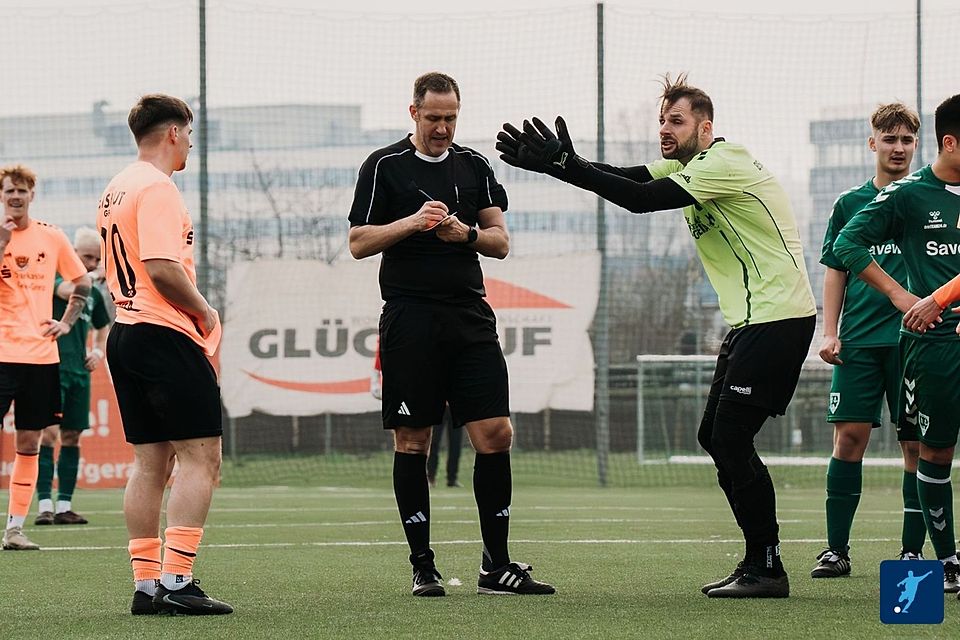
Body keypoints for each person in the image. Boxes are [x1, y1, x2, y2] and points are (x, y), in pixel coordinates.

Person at [498, 73, 816, 598]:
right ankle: (758, 560)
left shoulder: (723, 162)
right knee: (714, 437)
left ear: (705, 126)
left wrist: (566, 166)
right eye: (662, 121)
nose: (665, 130)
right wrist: (560, 166)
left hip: (780, 317)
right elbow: (623, 176)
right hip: (754, 321)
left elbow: (639, 199)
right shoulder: (687, 165)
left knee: (731, 437)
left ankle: (768, 566)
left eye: (677, 121)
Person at [348, 72, 555, 597]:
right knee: (414, 439)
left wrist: (464, 234)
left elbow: (500, 242)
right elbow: (357, 241)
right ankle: (423, 565)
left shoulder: (475, 165)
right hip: (409, 316)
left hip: (469, 315)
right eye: (434, 117)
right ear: (413, 113)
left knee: (496, 434)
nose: (442, 128)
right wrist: (414, 223)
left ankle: (497, 565)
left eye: (451, 118)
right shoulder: (383, 166)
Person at [98, 94, 232, 615]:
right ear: (173, 132)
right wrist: (206, 312)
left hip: (126, 331)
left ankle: (147, 585)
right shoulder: (157, 187)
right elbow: (162, 266)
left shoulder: (116, 187)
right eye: (190, 134)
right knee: (203, 459)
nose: (191, 145)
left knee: (150, 462)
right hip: (163, 331)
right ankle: (178, 581)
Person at [834, 93, 960, 595]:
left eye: (907, 138)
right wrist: (902, 294)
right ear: (950, 142)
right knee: (934, 450)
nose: (900, 146)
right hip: (934, 347)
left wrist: (944, 294)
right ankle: (945, 562)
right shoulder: (909, 194)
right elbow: (846, 244)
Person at [813, 103, 924, 578]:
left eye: (906, 140)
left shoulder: (930, 200)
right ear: (872, 143)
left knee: (916, 445)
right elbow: (836, 271)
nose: (898, 148)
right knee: (849, 439)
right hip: (857, 341)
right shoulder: (849, 204)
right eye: (889, 139)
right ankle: (836, 550)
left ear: (917, 145)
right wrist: (829, 329)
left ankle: (911, 554)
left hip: (915, 341)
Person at [0, 164, 91, 551]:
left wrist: (68, 322)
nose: (16, 196)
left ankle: (15, 530)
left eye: (22, 191)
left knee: (30, 442)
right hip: (2, 355)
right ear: (2, 196)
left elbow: (83, 282)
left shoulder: (51, 237)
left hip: (41, 357)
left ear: (32, 195)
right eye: (9, 192)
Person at [34, 227, 112, 527]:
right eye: (86, 257)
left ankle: (64, 505)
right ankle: (44, 505)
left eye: (95, 259)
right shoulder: (56, 276)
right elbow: (67, 291)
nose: (91, 263)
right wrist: (90, 277)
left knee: (72, 435)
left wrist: (98, 352)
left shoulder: (93, 293)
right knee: (48, 433)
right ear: (73, 254)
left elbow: (102, 326)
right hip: (50, 366)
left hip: (80, 371)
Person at [427, 407, 462, 488]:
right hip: (438, 407)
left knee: (455, 443)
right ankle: (431, 477)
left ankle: (452, 479)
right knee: (433, 442)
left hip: (455, 408)